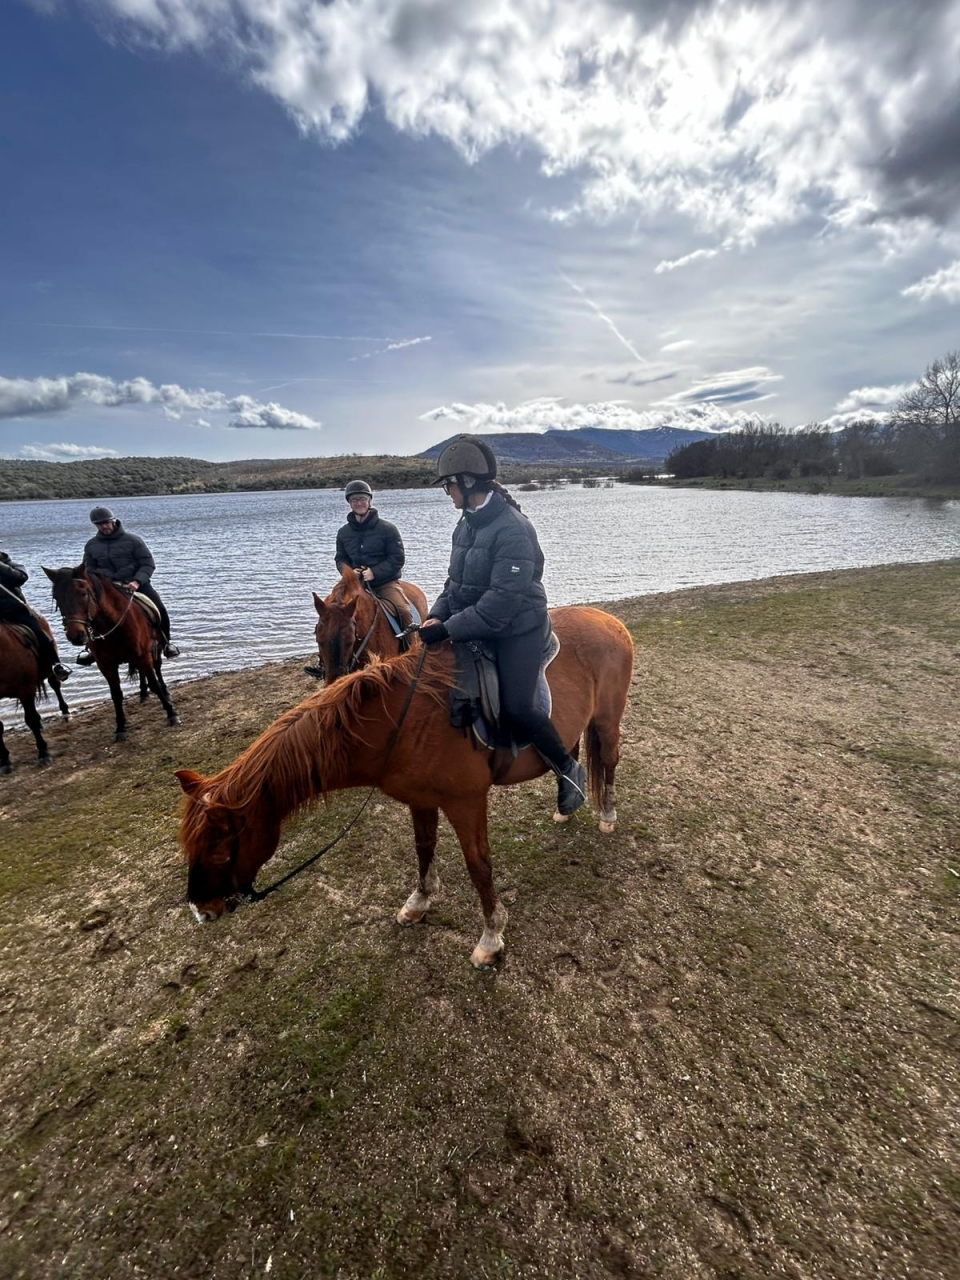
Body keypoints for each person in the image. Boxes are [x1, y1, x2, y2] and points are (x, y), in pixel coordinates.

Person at [419, 435, 588, 816]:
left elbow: (500, 605)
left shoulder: (513, 529)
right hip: (478, 620)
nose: (446, 492)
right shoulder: (466, 525)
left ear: (466, 482)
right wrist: (436, 615)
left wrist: (448, 629)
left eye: (448, 485)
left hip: (519, 626)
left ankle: (568, 768)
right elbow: (455, 585)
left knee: (515, 705)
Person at [77, 506, 180, 665]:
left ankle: (167, 643)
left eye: (106, 523)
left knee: (160, 609)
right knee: (87, 613)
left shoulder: (133, 540)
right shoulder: (91, 545)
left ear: (113, 521)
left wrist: (137, 581)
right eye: (99, 524)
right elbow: (89, 568)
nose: (104, 526)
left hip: (135, 584)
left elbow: (147, 564)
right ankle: (89, 649)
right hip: (107, 588)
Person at [334, 480, 413, 628]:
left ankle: (413, 647)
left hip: (385, 583)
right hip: (356, 584)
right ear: (350, 504)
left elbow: (397, 558)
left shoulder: (388, 529)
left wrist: (374, 572)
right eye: (354, 500)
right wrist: (349, 572)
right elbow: (340, 558)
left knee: (403, 612)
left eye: (362, 499)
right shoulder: (343, 533)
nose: (359, 503)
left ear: (369, 500)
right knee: (332, 611)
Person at [0, 551, 72, 680]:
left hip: (14, 610)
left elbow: (20, 578)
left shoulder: (8, 563)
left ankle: (56, 665)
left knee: (39, 633)